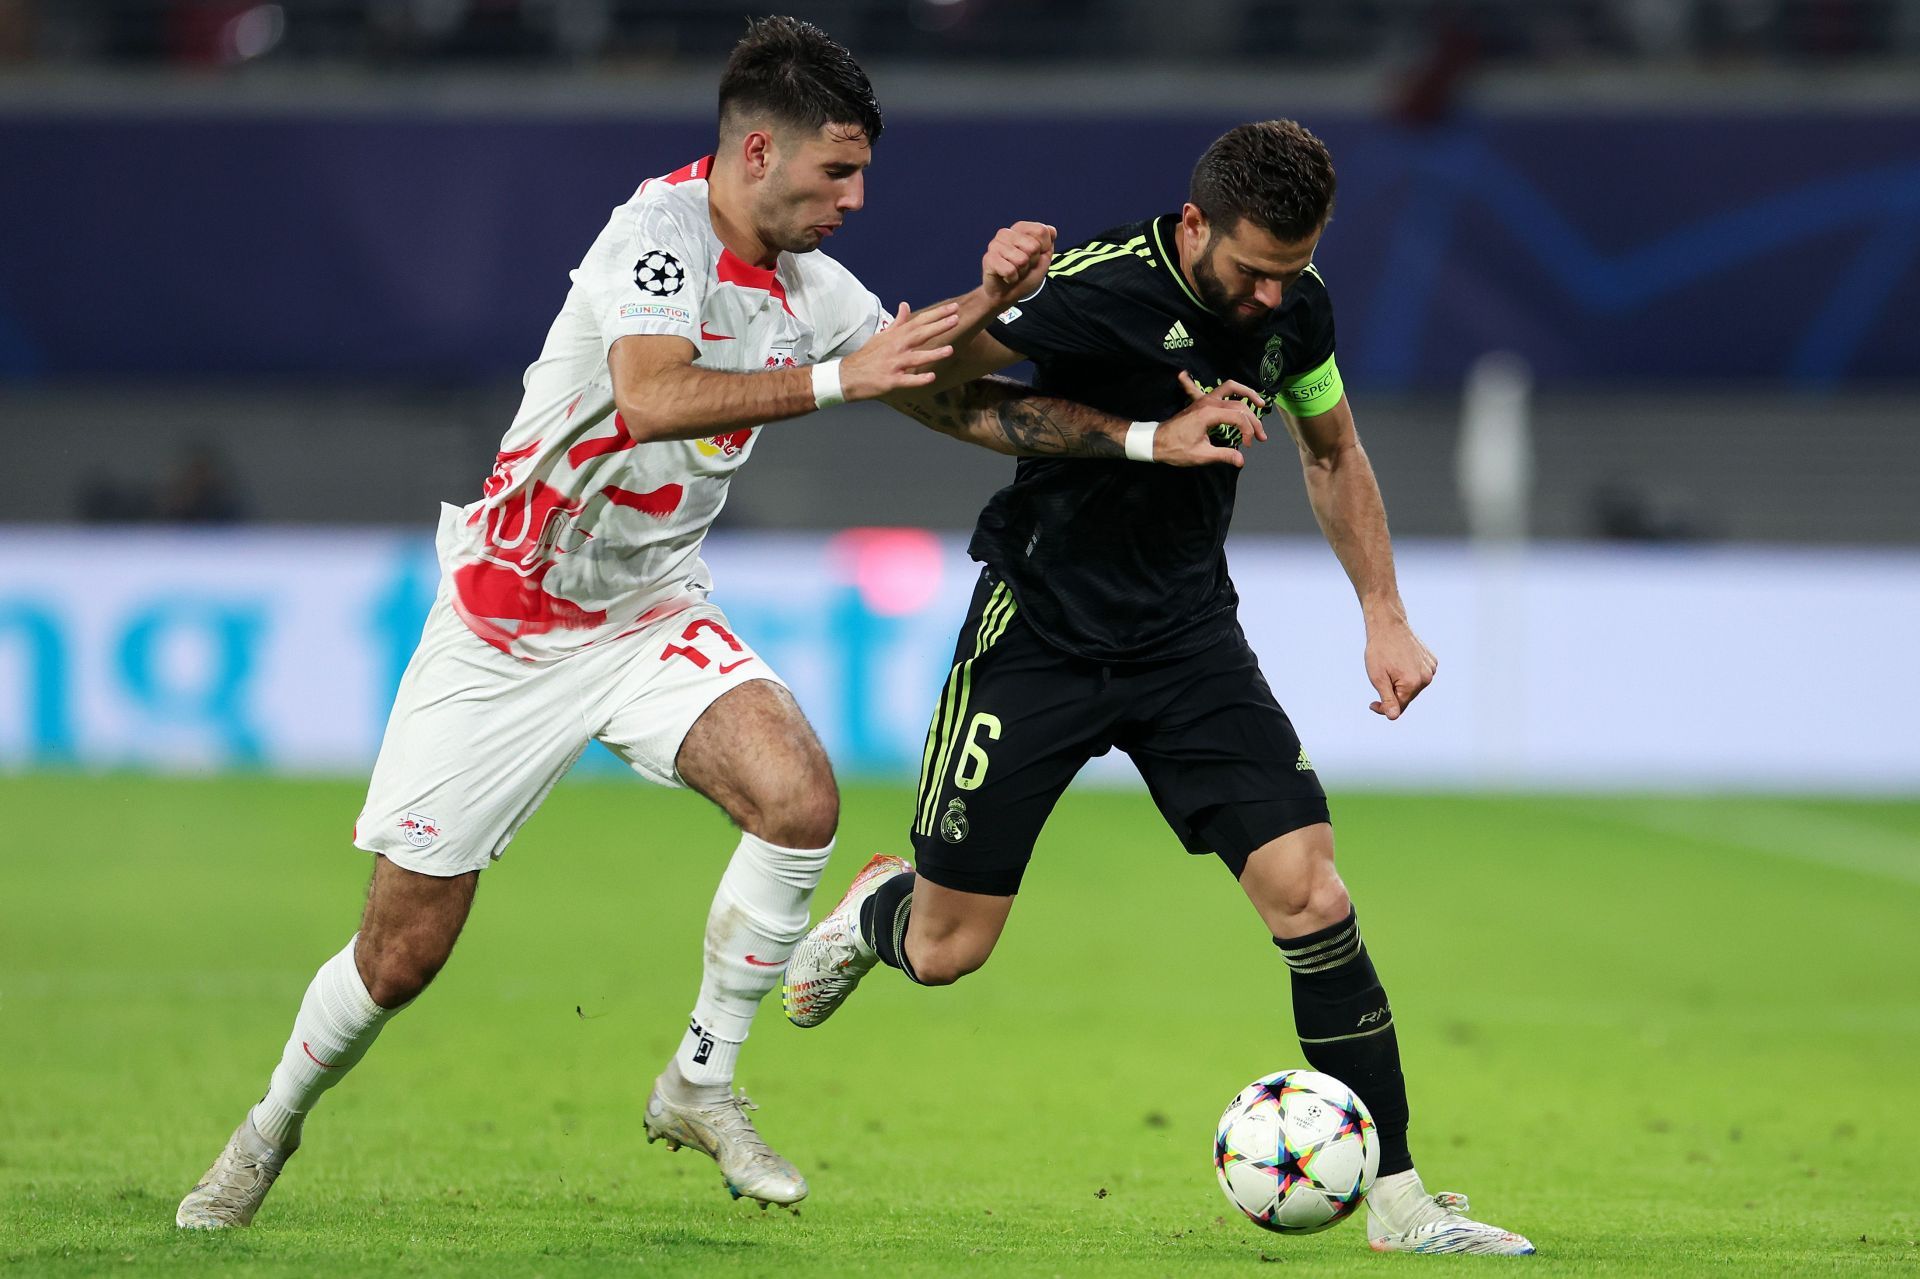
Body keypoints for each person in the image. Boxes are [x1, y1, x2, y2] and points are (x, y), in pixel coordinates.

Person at [176, 16, 1251, 1230]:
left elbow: (947, 396)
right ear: (754, 153)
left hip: (647, 613)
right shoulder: (655, 237)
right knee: (401, 956)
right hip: (506, 621)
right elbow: (650, 398)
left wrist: (1128, 421)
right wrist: (849, 374)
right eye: (834, 173)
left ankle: (701, 1080)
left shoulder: (813, 285)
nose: (853, 199)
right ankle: (268, 1125)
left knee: (799, 796)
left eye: (861, 176)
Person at [785, 120, 1537, 1256]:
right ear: (1195, 227)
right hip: (1039, 629)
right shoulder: (1093, 289)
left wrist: (1383, 610)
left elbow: (1330, 450)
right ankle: (879, 907)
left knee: (1313, 895)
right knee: (947, 951)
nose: (1274, 297)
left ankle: (1399, 1198)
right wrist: (998, 307)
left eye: (1294, 271)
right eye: (1253, 272)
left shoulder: (1300, 305)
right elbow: (929, 386)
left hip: (1188, 641)